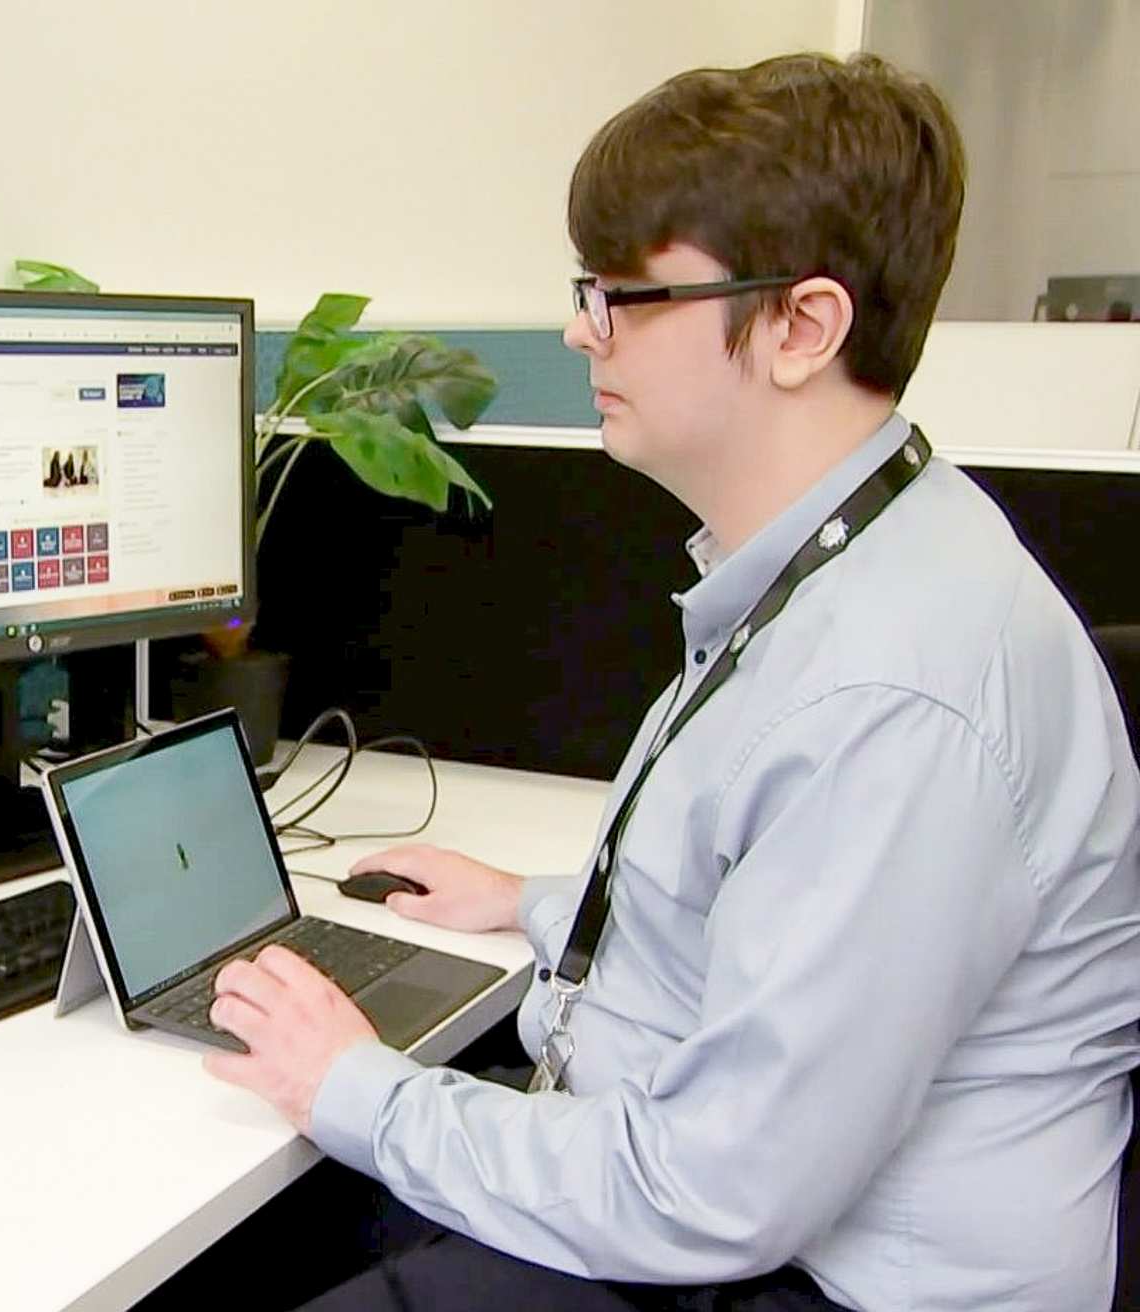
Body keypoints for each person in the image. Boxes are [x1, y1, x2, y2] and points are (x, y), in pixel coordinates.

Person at [201, 52, 1140, 1311]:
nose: (577, 331)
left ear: (800, 327)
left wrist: (352, 1083)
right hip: (751, 1218)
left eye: (620, 296)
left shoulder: (895, 687)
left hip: (815, 1282)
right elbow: (770, 905)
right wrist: (538, 903)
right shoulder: (850, 558)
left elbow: (709, 1192)